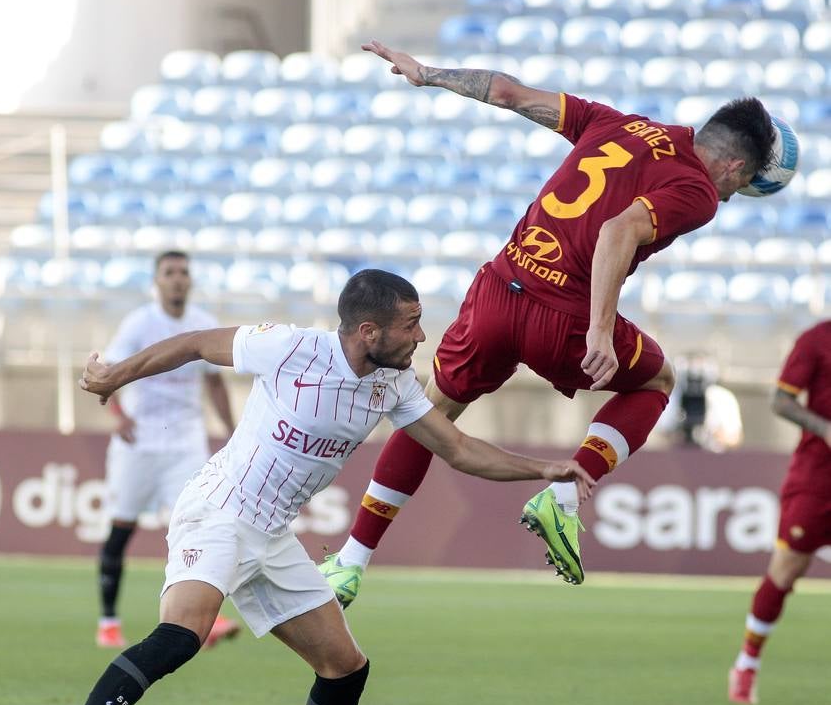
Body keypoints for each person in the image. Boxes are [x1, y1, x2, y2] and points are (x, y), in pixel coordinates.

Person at [32, 269, 593, 705]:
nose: (422, 337)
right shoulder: (290, 347)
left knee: (345, 665)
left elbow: (460, 449)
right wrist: (114, 377)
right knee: (183, 635)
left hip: (273, 535)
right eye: (412, 324)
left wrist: (545, 469)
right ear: (369, 331)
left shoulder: (394, 383)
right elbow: (196, 344)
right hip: (219, 511)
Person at [320, 39, 777, 603]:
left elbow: (508, 92)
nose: (732, 197)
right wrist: (601, 330)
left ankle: (350, 561)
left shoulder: (616, 123)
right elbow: (618, 231)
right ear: (733, 165)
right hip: (560, 317)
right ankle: (561, 498)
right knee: (658, 381)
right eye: (742, 183)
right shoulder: (698, 190)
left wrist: (428, 73)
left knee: (428, 416)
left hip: (497, 291)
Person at [95, 249, 238, 650]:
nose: (178, 278)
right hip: (138, 443)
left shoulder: (203, 325)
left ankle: (200, 621)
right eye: (170, 272)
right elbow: (109, 372)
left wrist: (231, 430)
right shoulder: (140, 323)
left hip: (184, 442)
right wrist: (119, 415)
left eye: (183, 272)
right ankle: (108, 621)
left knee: (196, 529)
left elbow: (214, 381)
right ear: (156, 280)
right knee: (122, 528)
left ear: (190, 281)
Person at [728, 321, 831, 705]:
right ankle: (746, 664)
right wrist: (824, 428)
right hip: (818, 478)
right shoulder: (817, 340)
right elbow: (781, 401)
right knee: (787, 570)